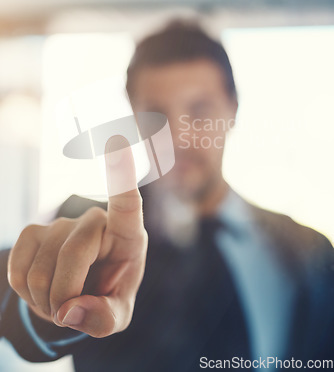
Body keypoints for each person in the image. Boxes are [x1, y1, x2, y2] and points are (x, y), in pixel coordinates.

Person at [0, 21, 333, 371]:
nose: (178, 137)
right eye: (155, 115)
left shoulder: (306, 251)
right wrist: (44, 303)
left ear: (232, 110)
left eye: (200, 111)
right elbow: (18, 306)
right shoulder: (89, 229)